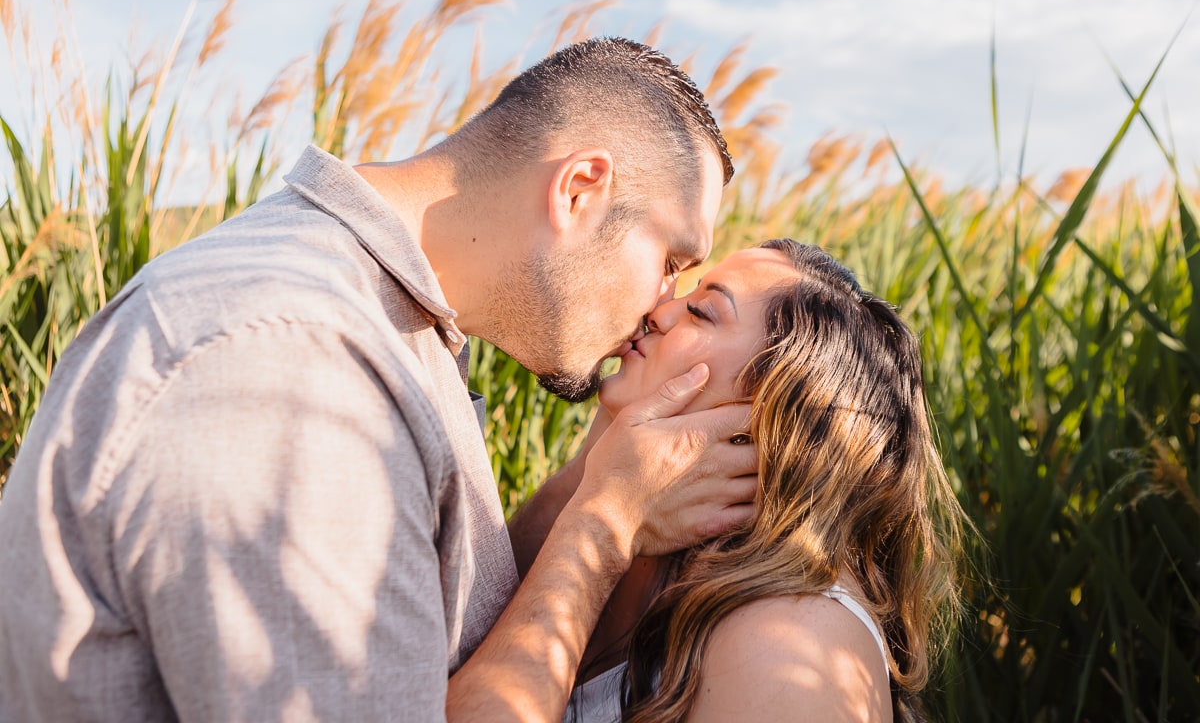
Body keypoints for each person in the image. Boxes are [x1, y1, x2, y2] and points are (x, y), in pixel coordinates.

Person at [0, 37, 757, 722]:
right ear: (580, 189)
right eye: (671, 262)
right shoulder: (292, 364)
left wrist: (599, 482)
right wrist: (604, 528)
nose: (665, 305)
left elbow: (445, 624)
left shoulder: (386, 321)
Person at [541, 240, 968, 722]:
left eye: (701, 311)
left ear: (773, 403)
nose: (658, 310)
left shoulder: (788, 644)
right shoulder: (633, 540)